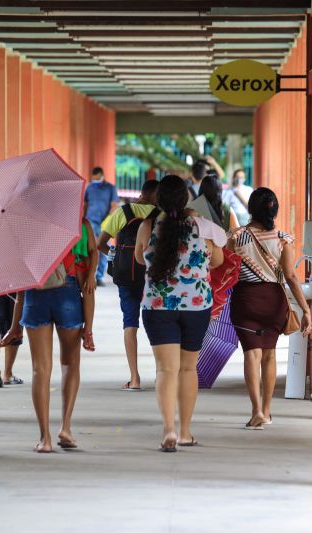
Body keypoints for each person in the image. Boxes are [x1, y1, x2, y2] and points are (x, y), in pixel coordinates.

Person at [135, 175, 226, 452]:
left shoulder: (148, 225)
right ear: (185, 199)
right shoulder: (202, 225)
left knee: (166, 369)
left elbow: (140, 258)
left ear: (158, 199)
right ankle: (186, 432)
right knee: (188, 368)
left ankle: (169, 431)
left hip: (158, 307)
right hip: (196, 306)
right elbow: (219, 260)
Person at [227, 187, 312, 430]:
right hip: (274, 300)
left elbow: (227, 270)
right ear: (274, 210)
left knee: (251, 355)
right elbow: (291, 278)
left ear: (250, 208)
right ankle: (267, 410)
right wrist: (305, 310)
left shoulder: (236, 237)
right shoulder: (283, 239)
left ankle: (256, 412)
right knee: (270, 354)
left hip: (246, 300)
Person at [1, 251, 85, 453]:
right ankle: (65, 428)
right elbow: (86, 276)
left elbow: (20, 284)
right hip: (68, 289)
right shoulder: (79, 227)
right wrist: (88, 327)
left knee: (40, 369)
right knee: (70, 364)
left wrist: (15, 327)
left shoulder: (27, 230)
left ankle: (44, 438)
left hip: (34, 295)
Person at [97, 179, 159, 391]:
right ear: (155, 195)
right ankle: (162, 374)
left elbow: (100, 243)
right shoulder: (162, 215)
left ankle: (134, 378)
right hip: (153, 276)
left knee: (130, 323)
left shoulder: (123, 212)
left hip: (127, 275)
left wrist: (115, 257)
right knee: (157, 323)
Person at [84, 166, 119, 286]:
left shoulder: (110, 188)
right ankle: (88, 275)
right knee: (90, 248)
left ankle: (99, 276)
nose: (95, 182)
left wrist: (108, 219)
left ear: (102, 176)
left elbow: (114, 205)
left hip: (104, 223)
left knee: (103, 247)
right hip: (91, 221)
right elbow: (85, 204)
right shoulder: (89, 187)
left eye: (97, 179)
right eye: (94, 180)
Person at [72, 217, 99, 351]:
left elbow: (94, 251)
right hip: (65, 267)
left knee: (89, 290)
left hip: (81, 263)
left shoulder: (84, 223)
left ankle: (88, 330)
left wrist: (91, 275)